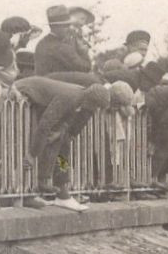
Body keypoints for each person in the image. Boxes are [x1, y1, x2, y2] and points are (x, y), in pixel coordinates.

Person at [14, 77, 116, 210]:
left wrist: (60, 132)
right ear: (90, 102)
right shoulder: (70, 98)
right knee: (35, 143)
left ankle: (56, 187)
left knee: (63, 142)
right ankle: (38, 185)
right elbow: (45, 125)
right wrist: (32, 155)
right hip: (23, 93)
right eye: (96, 107)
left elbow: (69, 125)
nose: (95, 111)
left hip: (41, 99)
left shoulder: (83, 99)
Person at [31, 5, 92, 79]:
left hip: (46, 83)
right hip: (53, 86)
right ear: (55, 27)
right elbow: (85, 68)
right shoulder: (60, 46)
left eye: (69, 25)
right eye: (66, 25)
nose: (69, 28)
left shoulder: (43, 42)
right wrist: (83, 52)